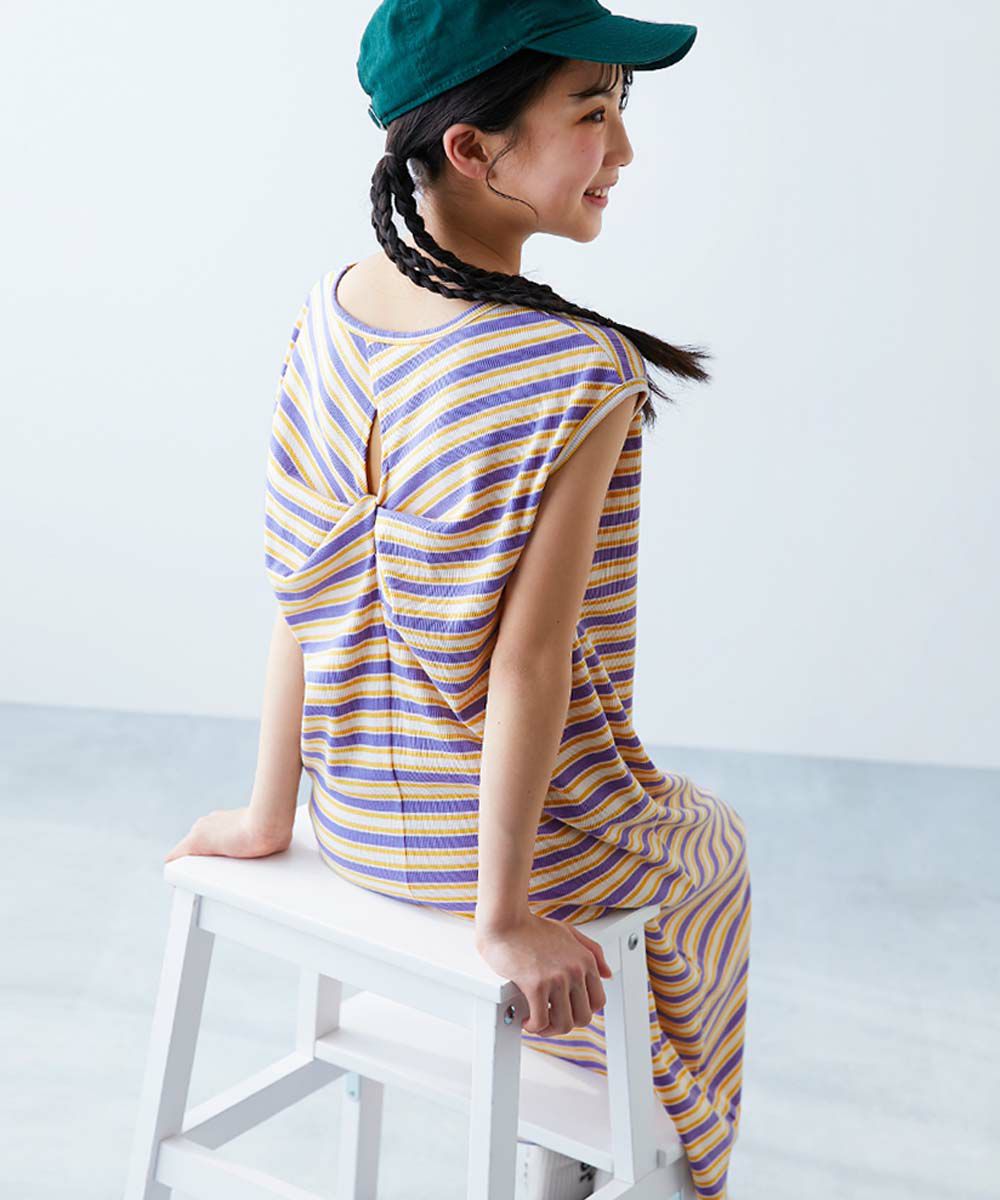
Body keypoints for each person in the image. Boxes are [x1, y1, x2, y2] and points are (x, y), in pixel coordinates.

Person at [165, 3, 751, 1197]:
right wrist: (504, 918)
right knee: (712, 851)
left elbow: (303, 595)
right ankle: (644, 1151)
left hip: (351, 821)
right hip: (490, 858)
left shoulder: (329, 312)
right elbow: (530, 668)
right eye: (592, 113)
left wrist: (269, 812)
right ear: (473, 149)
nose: (621, 151)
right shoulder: (576, 370)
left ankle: (572, 1132)